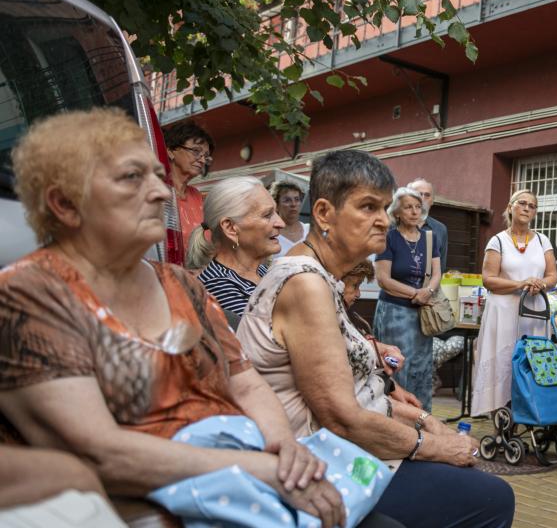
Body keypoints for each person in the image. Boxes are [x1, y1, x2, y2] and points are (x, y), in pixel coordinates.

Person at [0, 108, 350, 527]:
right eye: (133, 177)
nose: (162, 194)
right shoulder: (30, 295)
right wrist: (262, 471)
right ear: (64, 204)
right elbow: (100, 453)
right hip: (151, 507)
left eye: (158, 177)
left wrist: (283, 446)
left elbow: (246, 381)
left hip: (247, 479)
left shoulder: (181, 283)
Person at [238, 149, 514, 528]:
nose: (383, 221)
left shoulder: (323, 279)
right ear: (323, 214)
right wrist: (434, 446)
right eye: (367, 207)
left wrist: (423, 419)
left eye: (385, 208)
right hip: (320, 459)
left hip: (349, 445)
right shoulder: (305, 284)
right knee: (491, 498)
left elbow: (355, 392)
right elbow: (341, 416)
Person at [472, 189, 557, 417]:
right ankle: (501, 416)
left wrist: (540, 284)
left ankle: (532, 413)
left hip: (534, 312)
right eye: (522, 203)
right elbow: (488, 279)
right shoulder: (498, 240)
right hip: (504, 312)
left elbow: (552, 275)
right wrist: (520, 284)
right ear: (510, 207)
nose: (528, 208)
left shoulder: (542, 240)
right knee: (504, 364)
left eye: (533, 205)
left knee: (532, 362)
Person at [374, 187, 442, 412]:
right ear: (397, 213)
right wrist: (415, 294)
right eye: (408, 207)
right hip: (395, 312)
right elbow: (383, 279)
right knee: (397, 365)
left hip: (422, 315)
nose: (414, 212)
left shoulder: (429, 237)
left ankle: (422, 419)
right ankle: (396, 417)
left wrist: (428, 292)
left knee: (422, 369)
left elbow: (437, 273)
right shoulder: (389, 237)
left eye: (417, 207)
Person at [190, 176, 286, 321]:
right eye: (267, 215)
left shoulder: (261, 271)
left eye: (276, 213)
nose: (280, 223)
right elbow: (266, 338)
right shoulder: (218, 287)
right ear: (230, 228)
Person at [163, 120, 215, 241]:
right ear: (170, 151)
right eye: (196, 151)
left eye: (205, 156)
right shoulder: (156, 191)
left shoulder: (196, 195)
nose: (202, 160)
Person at [409, 178, 449, 265]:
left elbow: (441, 266)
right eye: (418, 194)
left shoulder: (440, 229)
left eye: (427, 195)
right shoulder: (393, 225)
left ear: (432, 201)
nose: (422, 198)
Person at [272, 180, 309, 259]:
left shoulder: (311, 231)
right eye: (287, 200)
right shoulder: (272, 237)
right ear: (276, 206)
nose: (293, 204)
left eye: (297, 199)